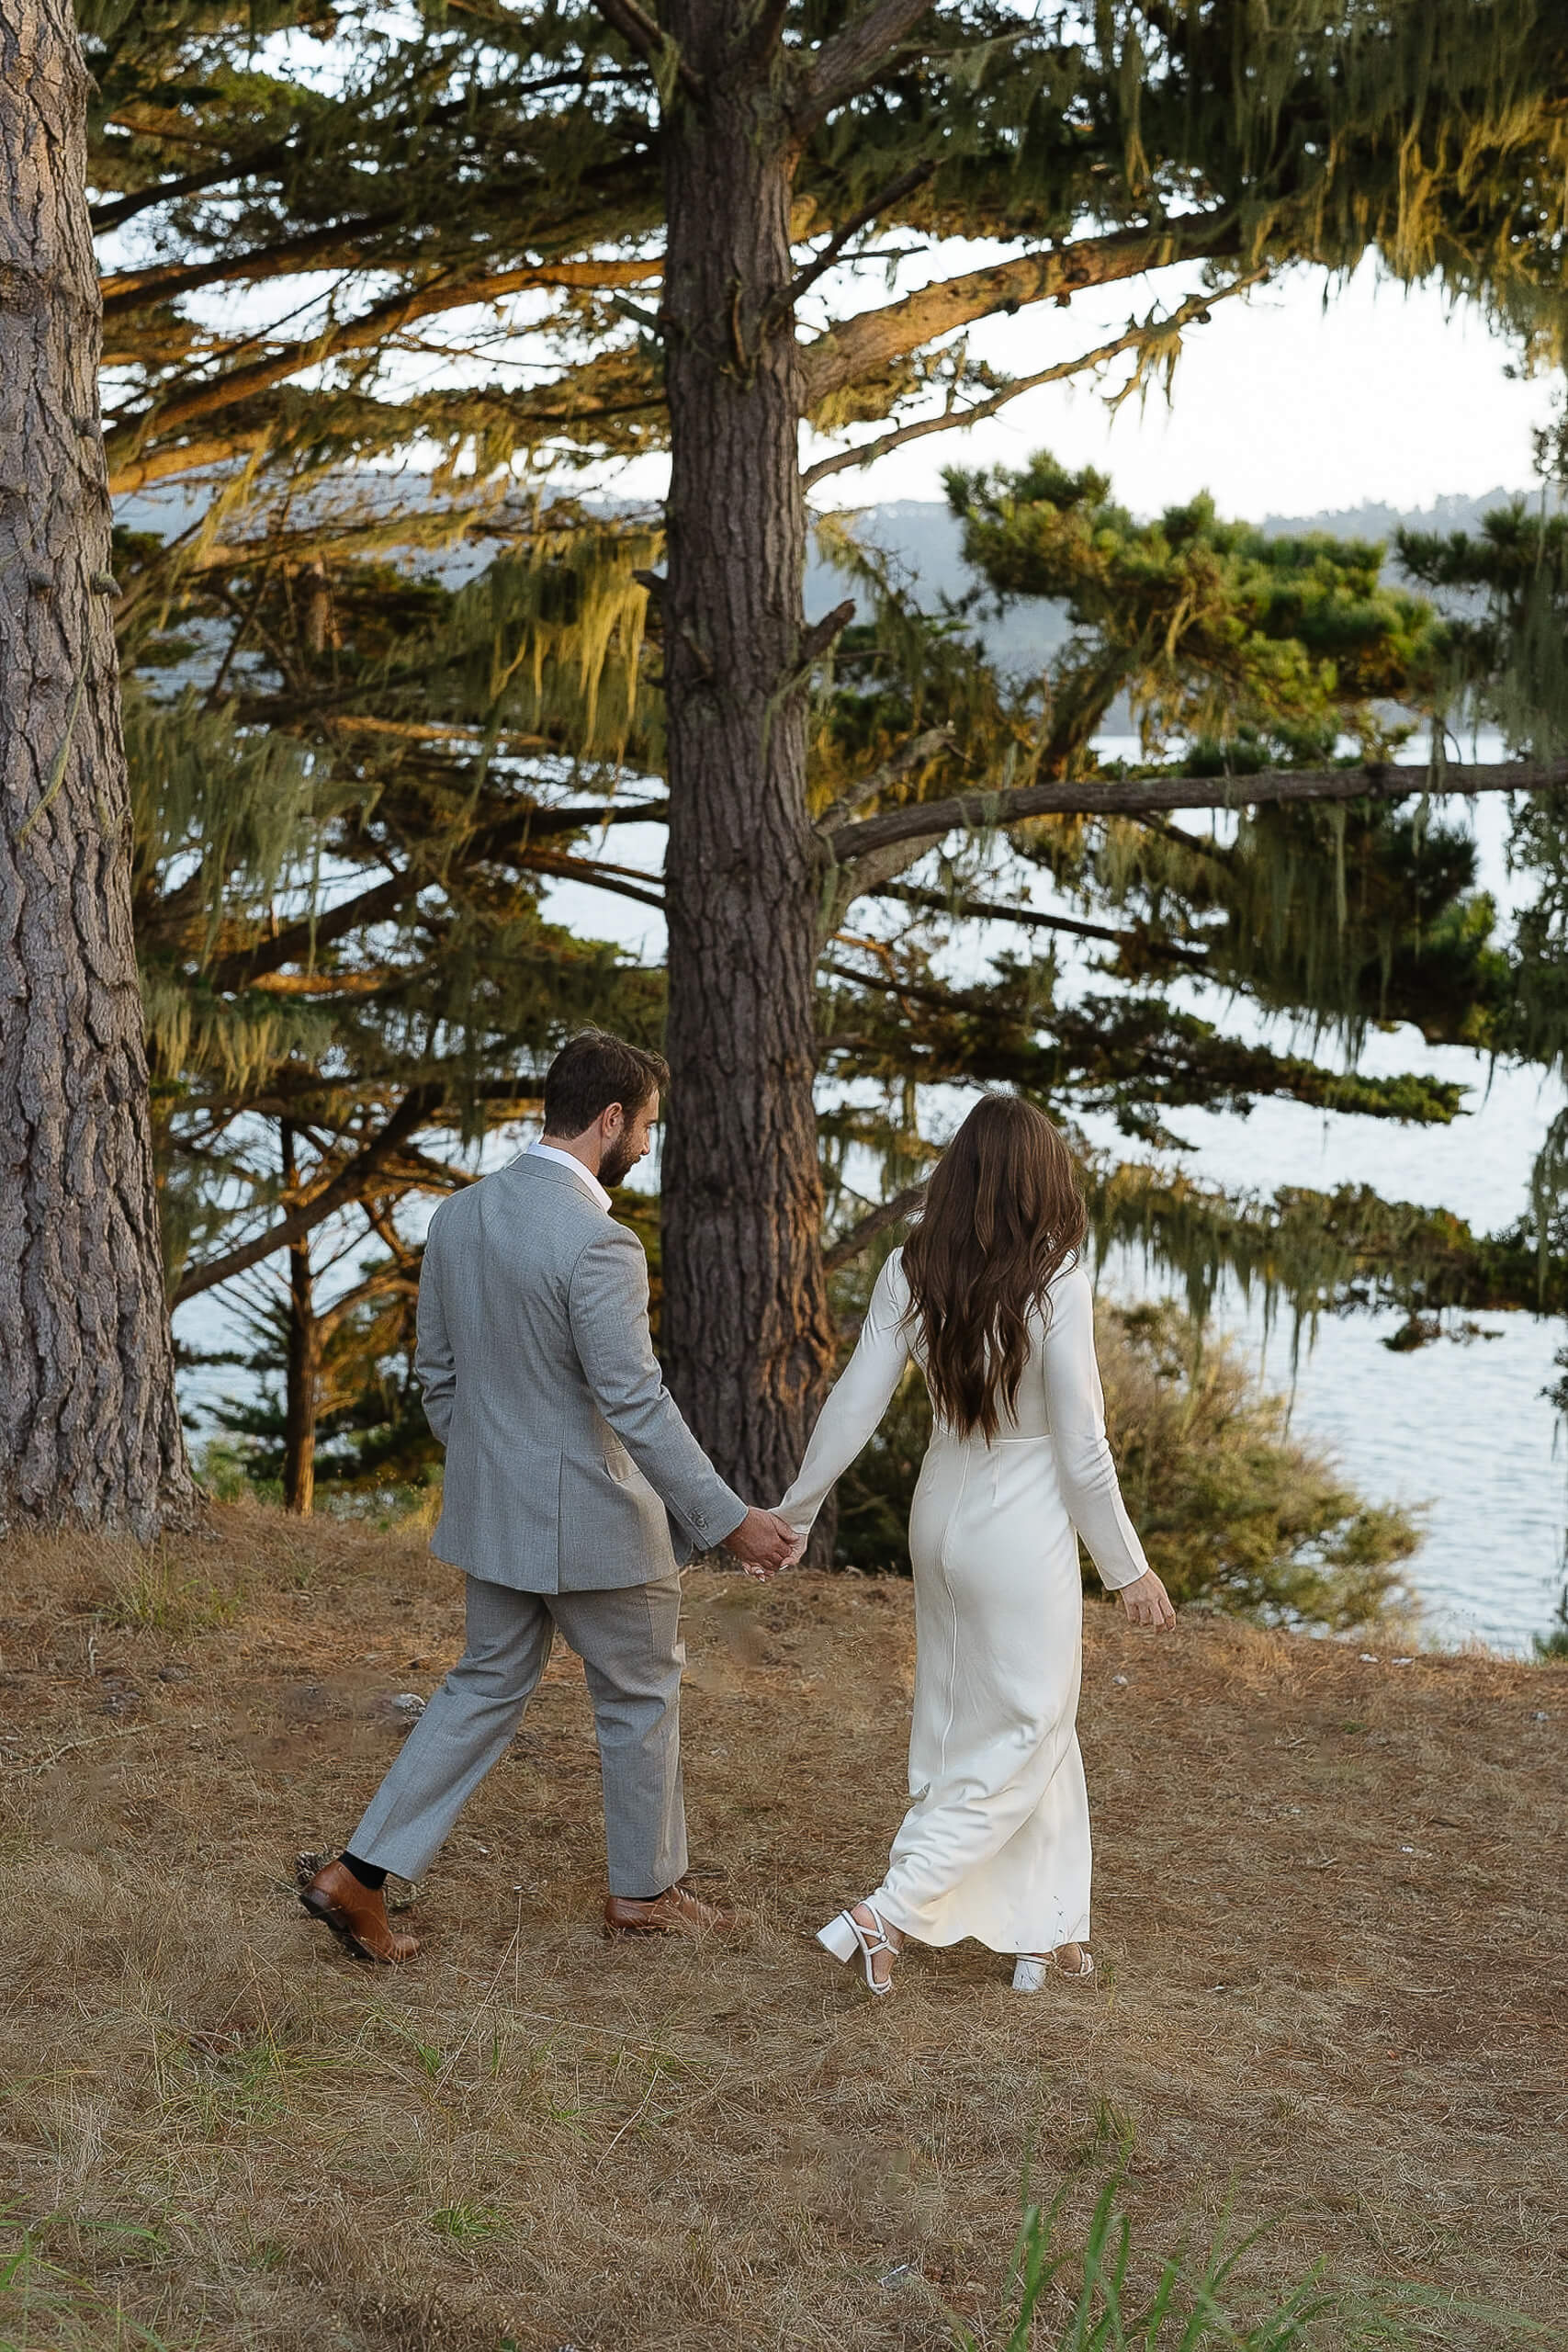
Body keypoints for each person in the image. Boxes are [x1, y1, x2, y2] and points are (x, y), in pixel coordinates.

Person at [299, 1030, 795, 1962]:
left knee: (482, 1686)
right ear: (610, 1118)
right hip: (601, 1528)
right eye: (645, 1126)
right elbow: (636, 1402)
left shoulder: (457, 1217)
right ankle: (645, 1893)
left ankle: (357, 1875)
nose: (648, 1145)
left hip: (493, 1518)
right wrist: (730, 1519)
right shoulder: (601, 1243)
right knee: (641, 1694)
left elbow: (439, 1379)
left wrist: (501, 1467)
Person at [777, 1093, 1175, 1996]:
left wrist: (798, 1509)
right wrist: (1129, 1567)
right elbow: (1080, 1446)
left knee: (1023, 1726)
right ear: (1043, 1182)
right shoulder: (1057, 1283)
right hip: (1020, 1531)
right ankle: (891, 1909)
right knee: (1022, 1731)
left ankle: (1050, 1935)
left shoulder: (912, 1269)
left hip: (941, 1511)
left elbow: (855, 1403)